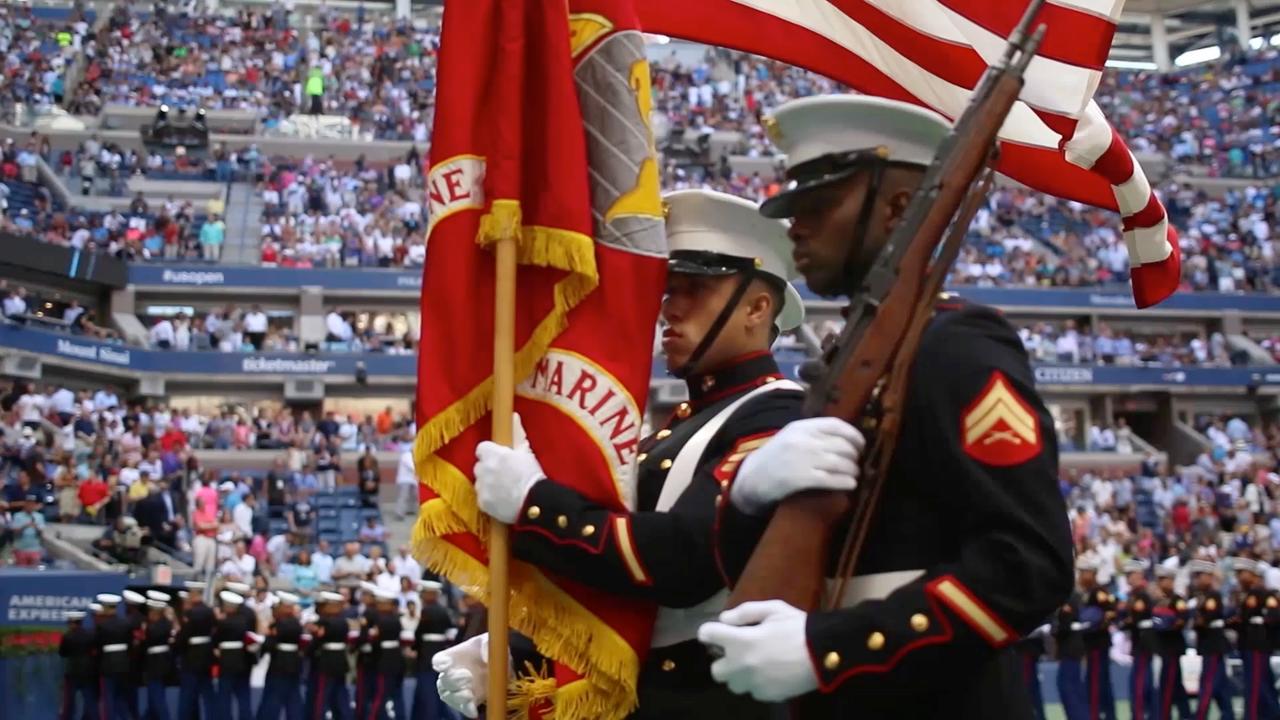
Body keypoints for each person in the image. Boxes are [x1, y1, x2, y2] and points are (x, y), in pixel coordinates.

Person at [695, 95, 1074, 717]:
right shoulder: (843, 363)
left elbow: (1028, 565)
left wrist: (833, 649)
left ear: (900, 208)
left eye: (818, 206)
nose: (796, 228)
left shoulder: (956, 349)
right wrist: (747, 498)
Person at [434, 188, 808, 719]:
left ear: (756, 307)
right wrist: (520, 653)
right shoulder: (675, 431)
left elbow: (682, 563)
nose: (669, 309)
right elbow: (622, 599)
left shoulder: (777, 415)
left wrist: (533, 503)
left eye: (694, 289)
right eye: (668, 289)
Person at [1230, 556, 1278, 719]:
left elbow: (1275, 614)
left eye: (1242, 572)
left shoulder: (1263, 593)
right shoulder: (1242, 594)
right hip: (1247, 643)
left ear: (1252, 574)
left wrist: (1260, 621)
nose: (1238, 577)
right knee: (1261, 683)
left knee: (1256, 684)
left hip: (1258, 643)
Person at [1189, 559, 1234, 720]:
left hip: (1213, 644)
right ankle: (1228, 715)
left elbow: (1204, 619)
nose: (1197, 580)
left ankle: (1200, 715)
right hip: (1210, 644)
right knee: (1221, 685)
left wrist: (1197, 619)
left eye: (1200, 576)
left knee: (1208, 683)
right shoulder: (1201, 596)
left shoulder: (1212, 596)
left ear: (1208, 577)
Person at [1152, 564, 1192, 720]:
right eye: (1160, 580)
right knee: (1175, 685)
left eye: (1165, 580)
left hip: (1172, 647)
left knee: (1168, 684)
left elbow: (1182, 620)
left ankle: (1165, 715)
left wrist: (1166, 623)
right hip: (1163, 647)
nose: (1162, 583)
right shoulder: (1158, 601)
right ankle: (1185, 714)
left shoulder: (1177, 600)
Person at [411, 581, 456, 720]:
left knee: (427, 690)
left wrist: (415, 648)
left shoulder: (427, 611)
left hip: (427, 654)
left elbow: (419, 633)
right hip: (441, 651)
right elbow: (451, 631)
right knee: (439, 690)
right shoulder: (444, 610)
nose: (422, 596)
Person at [258, 592, 305, 720]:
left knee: (273, 698)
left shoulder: (278, 625)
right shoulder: (297, 624)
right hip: (294, 664)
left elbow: (269, 644)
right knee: (293, 699)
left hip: (279, 664)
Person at [175, 582, 218, 719]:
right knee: (208, 695)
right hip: (206, 657)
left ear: (193, 594)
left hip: (191, 657)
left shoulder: (191, 613)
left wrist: (177, 648)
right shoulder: (209, 611)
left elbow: (184, 636)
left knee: (187, 696)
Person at [1120, 560, 1156, 720]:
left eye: (1131, 574)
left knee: (1140, 684)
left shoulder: (1140, 595)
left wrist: (1124, 620)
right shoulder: (1134, 595)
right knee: (1139, 681)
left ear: (1139, 575)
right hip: (1139, 641)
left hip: (1143, 642)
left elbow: (1134, 618)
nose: (1128, 578)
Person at [309, 591, 353, 720]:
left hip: (326, 662)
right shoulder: (343, 622)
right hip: (340, 661)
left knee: (322, 696)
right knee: (341, 695)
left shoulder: (324, 622)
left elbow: (317, 640)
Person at [367, 588, 408, 720]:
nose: (377, 605)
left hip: (384, 660)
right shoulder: (397, 619)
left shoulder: (381, 621)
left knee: (380, 694)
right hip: (397, 659)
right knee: (397, 694)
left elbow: (374, 639)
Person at [94, 594, 133, 720]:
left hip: (108, 666)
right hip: (124, 665)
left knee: (108, 699)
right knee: (121, 698)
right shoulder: (126, 623)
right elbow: (130, 644)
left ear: (105, 608)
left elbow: (98, 647)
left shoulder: (102, 626)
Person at [59, 610, 99, 720]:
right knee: (90, 701)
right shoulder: (90, 635)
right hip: (88, 672)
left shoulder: (67, 636)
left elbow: (62, 653)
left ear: (71, 622)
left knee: (69, 702)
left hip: (72, 672)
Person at [141, 599, 173, 720]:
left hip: (156, 665)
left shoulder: (158, 626)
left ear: (156, 613)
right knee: (152, 701)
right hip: (157, 664)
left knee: (158, 699)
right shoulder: (164, 623)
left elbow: (150, 638)